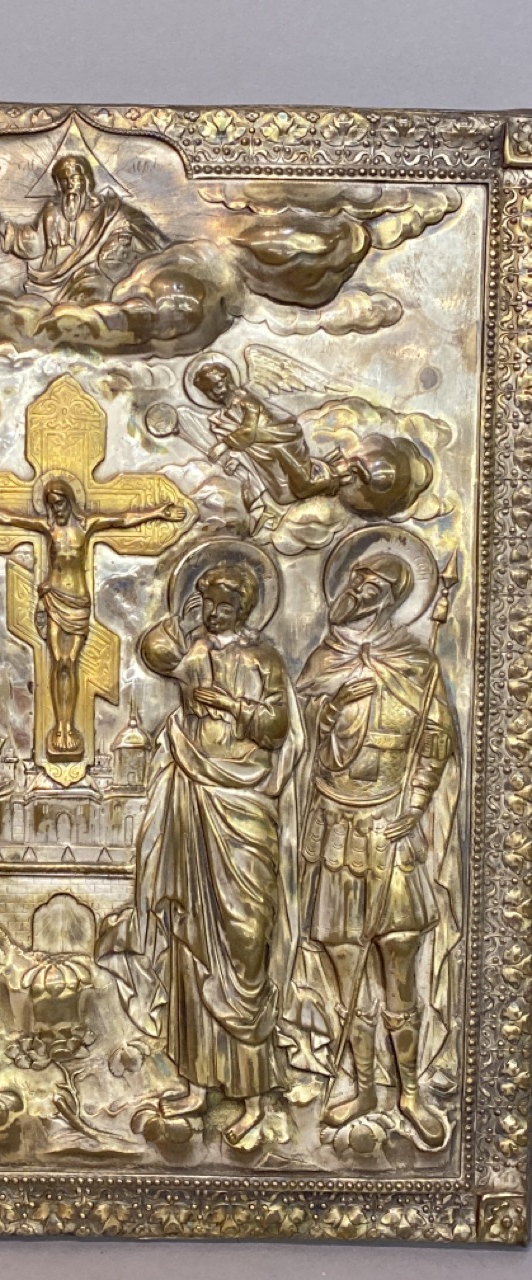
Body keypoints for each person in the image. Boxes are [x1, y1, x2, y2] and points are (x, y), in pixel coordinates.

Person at [98, 554, 303, 1145]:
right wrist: (182, 621)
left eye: (225, 603)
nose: (215, 611)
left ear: (245, 607)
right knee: (190, 942)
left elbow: (275, 727)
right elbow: (152, 654)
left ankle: (254, 1095)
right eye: (207, 601)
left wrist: (230, 705)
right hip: (193, 800)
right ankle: (196, 1082)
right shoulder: (192, 653)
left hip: (245, 806)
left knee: (244, 945)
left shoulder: (263, 658)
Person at [293, 550, 460, 1148]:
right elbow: (296, 732)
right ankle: (363, 1087)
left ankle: (410, 1092)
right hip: (336, 825)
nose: (359, 589)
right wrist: (334, 704)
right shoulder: (325, 658)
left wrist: (414, 804)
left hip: (391, 828)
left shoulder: (418, 661)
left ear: (391, 597)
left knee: (398, 963)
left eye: (372, 583)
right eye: (356, 578)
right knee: (345, 967)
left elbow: (435, 739)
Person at [0, 479, 185, 760]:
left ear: (70, 501)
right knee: (59, 662)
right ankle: (60, 727)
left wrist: (159, 513)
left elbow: (123, 519)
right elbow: (10, 519)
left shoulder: (86, 526)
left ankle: (69, 726)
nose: (56, 510)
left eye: (60, 503)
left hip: (78, 603)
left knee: (70, 662)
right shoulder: (49, 529)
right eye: (51, 505)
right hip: (54, 600)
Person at [0, 154, 168, 305]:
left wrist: (121, 238)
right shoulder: (51, 212)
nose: (70, 184)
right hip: (49, 282)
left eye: (74, 177)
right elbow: (34, 243)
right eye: (64, 180)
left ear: (86, 180)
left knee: (89, 300)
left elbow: (127, 224)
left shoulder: (105, 211)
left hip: (89, 277)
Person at [193, 360, 365, 520]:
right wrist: (235, 459)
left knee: (305, 485)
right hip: (267, 453)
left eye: (218, 386)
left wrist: (224, 445)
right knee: (284, 495)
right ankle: (332, 473)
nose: (215, 394)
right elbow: (246, 444)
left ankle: (344, 470)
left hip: (283, 442)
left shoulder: (246, 400)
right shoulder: (225, 415)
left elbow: (249, 430)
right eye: (208, 392)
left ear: (229, 381)